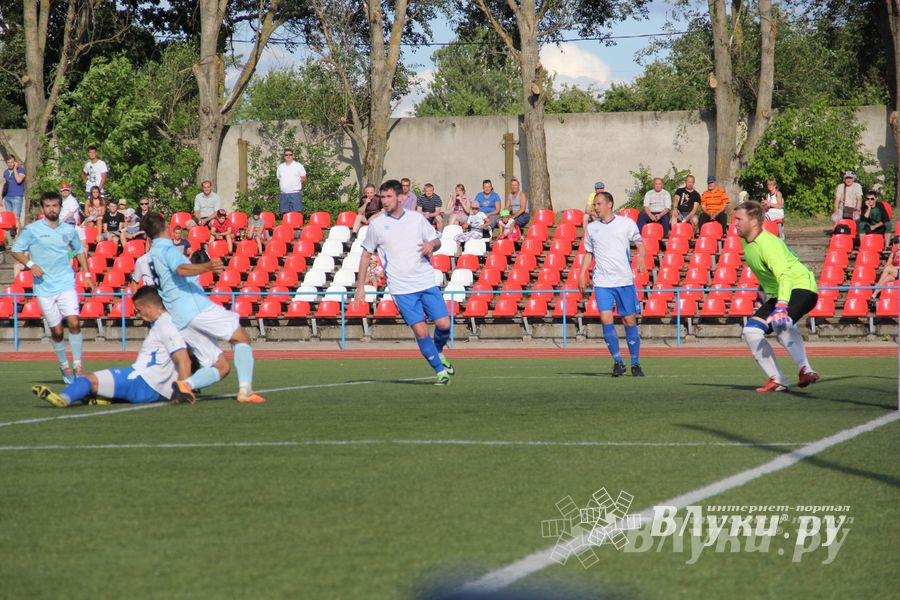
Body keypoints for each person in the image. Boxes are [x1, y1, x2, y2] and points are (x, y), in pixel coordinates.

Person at [142, 211, 265, 404]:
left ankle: (184, 386)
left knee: (221, 367)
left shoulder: (151, 255)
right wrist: (208, 267)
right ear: (165, 225)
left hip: (180, 318)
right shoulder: (167, 249)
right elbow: (180, 269)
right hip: (194, 307)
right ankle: (246, 391)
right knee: (241, 337)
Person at [353, 179, 454, 385]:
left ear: (400, 197)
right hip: (401, 288)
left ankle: (438, 351)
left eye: (389, 196)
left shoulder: (416, 218)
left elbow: (437, 240)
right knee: (421, 330)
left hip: (425, 281)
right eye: (383, 197)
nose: (385, 200)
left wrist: (431, 245)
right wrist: (360, 287)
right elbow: (365, 255)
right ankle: (440, 372)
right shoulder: (376, 225)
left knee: (444, 325)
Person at [31, 286, 201, 407]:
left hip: (141, 380)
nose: (138, 314)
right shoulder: (166, 323)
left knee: (86, 380)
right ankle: (103, 399)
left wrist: (183, 391)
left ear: (149, 308)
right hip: (151, 387)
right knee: (96, 387)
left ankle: (63, 399)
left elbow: (184, 360)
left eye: (139, 310)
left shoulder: (165, 324)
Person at [733, 201, 819, 392]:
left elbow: (785, 276)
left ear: (753, 222)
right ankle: (778, 379)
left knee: (781, 321)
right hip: (782, 291)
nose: (735, 223)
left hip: (801, 287)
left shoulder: (768, 244)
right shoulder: (746, 242)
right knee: (751, 331)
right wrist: (761, 295)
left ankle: (806, 369)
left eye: (739, 219)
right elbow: (765, 274)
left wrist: (781, 306)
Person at [11, 191, 94, 384]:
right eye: (47, 206)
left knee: (74, 322)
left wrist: (87, 274)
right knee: (57, 331)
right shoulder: (32, 230)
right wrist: (31, 264)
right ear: (42, 208)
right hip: (44, 287)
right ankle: (64, 365)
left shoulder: (68, 230)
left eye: (55, 205)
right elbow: (16, 250)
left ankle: (78, 365)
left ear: (60, 207)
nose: (51, 209)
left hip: (66, 282)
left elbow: (79, 250)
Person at [577, 191, 646, 377]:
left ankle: (635, 363)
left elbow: (640, 243)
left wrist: (641, 257)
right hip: (602, 282)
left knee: (628, 320)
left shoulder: (626, 223)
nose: (596, 207)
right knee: (605, 318)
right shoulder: (592, 228)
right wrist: (582, 274)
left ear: (610, 204)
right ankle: (618, 362)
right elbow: (589, 253)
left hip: (623, 280)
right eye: (594, 204)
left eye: (599, 204)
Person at [869, 236, 899, 308]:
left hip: (896, 271)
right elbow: (887, 265)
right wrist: (891, 267)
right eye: (896, 243)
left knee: (888, 269)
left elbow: (888, 267)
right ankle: (874, 295)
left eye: (899, 243)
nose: (898, 244)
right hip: (895, 273)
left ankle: (877, 286)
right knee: (888, 277)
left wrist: (894, 267)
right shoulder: (893, 254)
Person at [276, 148, 306, 216]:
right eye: (286, 155)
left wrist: (295, 185)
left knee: (296, 214)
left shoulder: (298, 166)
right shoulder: (280, 167)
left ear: (293, 156)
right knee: (285, 214)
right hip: (284, 194)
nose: (288, 156)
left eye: (290, 154)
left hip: (295, 194)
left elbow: (303, 178)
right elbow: (279, 179)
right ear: (284, 156)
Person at [2, 155, 26, 234]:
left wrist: (15, 169)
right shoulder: (5, 172)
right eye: (8, 162)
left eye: (12, 162)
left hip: (17, 197)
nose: (10, 164)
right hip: (7, 197)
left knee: (16, 218)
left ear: (15, 162)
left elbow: (19, 180)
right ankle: (12, 238)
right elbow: (5, 185)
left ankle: (17, 237)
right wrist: (1, 197)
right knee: (9, 219)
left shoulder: (21, 170)